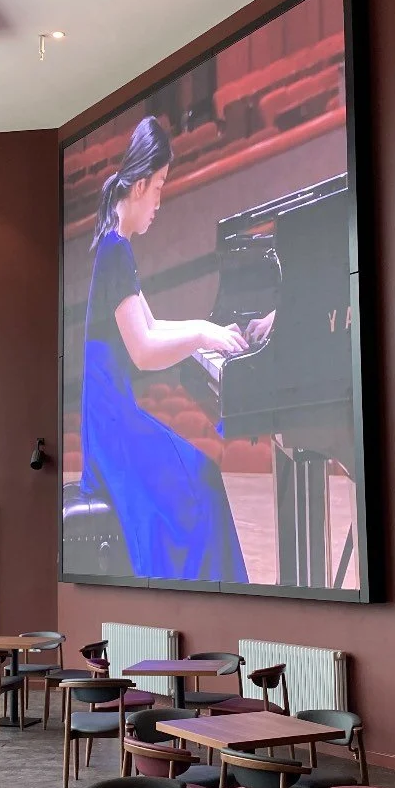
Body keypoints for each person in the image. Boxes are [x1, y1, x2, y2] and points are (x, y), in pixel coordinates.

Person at [79, 116, 249, 583]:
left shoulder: (114, 245)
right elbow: (144, 352)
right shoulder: (116, 249)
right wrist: (202, 336)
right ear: (137, 186)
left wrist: (206, 329)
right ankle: (210, 602)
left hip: (108, 413)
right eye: (158, 187)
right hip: (113, 420)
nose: (159, 201)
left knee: (200, 478)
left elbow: (149, 325)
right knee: (205, 482)